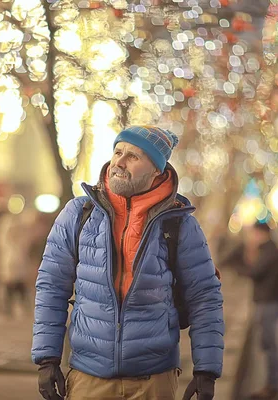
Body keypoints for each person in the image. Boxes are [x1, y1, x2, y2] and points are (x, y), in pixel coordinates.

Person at [31, 126, 224, 400]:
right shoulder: (78, 214)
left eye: (133, 156)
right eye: (118, 152)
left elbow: (204, 296)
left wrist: (207, 369)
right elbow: (51, 286)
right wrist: (47, 358)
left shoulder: (179, 224)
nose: (119, 162)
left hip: (153, 381)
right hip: (89, 377)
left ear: (157, 170)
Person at [238, 222, 278, 400]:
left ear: (261, 233)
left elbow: (254, 271)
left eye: (254, 233)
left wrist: (246, 261)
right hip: (266, 302)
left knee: (269, 345)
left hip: (269, 303)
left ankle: (272, 385)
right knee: (266, 344)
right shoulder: (268, 250)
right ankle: (270, 384)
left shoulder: (269, 251)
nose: (251, 237)